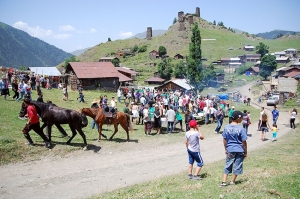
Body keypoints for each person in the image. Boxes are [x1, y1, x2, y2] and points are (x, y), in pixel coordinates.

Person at [220, 111, 247, 187]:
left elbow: (224, 139)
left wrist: (226, 148)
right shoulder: (241, 128)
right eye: (241, 118)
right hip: (239, 150)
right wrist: (245, 152)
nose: (242, 119)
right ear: (238, 118)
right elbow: (244, 141)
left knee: (228, 164)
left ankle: (224, 182)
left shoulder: (227, 127)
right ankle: (232, 181)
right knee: (237, 165)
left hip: (230, 149)